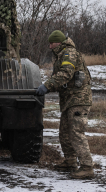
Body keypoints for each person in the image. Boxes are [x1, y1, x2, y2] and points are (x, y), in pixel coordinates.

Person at [35, 30, 94, 179]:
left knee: (76, 132)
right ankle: (70, 161)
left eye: (51, 43)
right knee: (64, 132)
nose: (49, 47)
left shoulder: (69, 53)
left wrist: (47, 86)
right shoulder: (61, 55)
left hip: (78, 99)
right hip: (69, 100)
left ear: (59, 43)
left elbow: (65, 74)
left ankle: (87, 167)